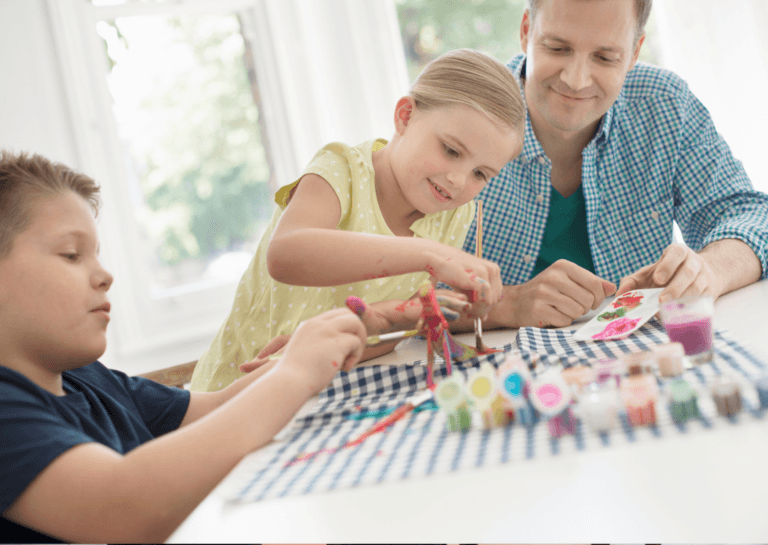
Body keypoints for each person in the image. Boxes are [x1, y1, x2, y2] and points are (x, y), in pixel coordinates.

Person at [0, 150, 370, 543]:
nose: (105, 275)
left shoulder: (84, 377)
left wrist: (306, 350)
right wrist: (294, 373)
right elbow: (121, 506)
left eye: (96, 255)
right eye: (71, 255)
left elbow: (211, 409)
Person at [190, 49, 526, 392]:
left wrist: (400, 317)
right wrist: (431, 254)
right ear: (405, 116)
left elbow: (382, 337)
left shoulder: (455, 215)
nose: (458, 180)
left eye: (481, 173)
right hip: (230, 393)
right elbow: (285, 255)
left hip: (313, 390)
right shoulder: (341, 169)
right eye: (451, 151)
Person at [461, 0, 768, 330]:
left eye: (605, 58)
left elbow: (749, 215)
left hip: (639, 358)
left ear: (635, 53)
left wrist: (711, 270)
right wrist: (506, 305)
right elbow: (403, 292)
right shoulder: (461, 120)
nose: (576, 80)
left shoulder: (665, 105)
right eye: (558, 48)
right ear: (525, 32)